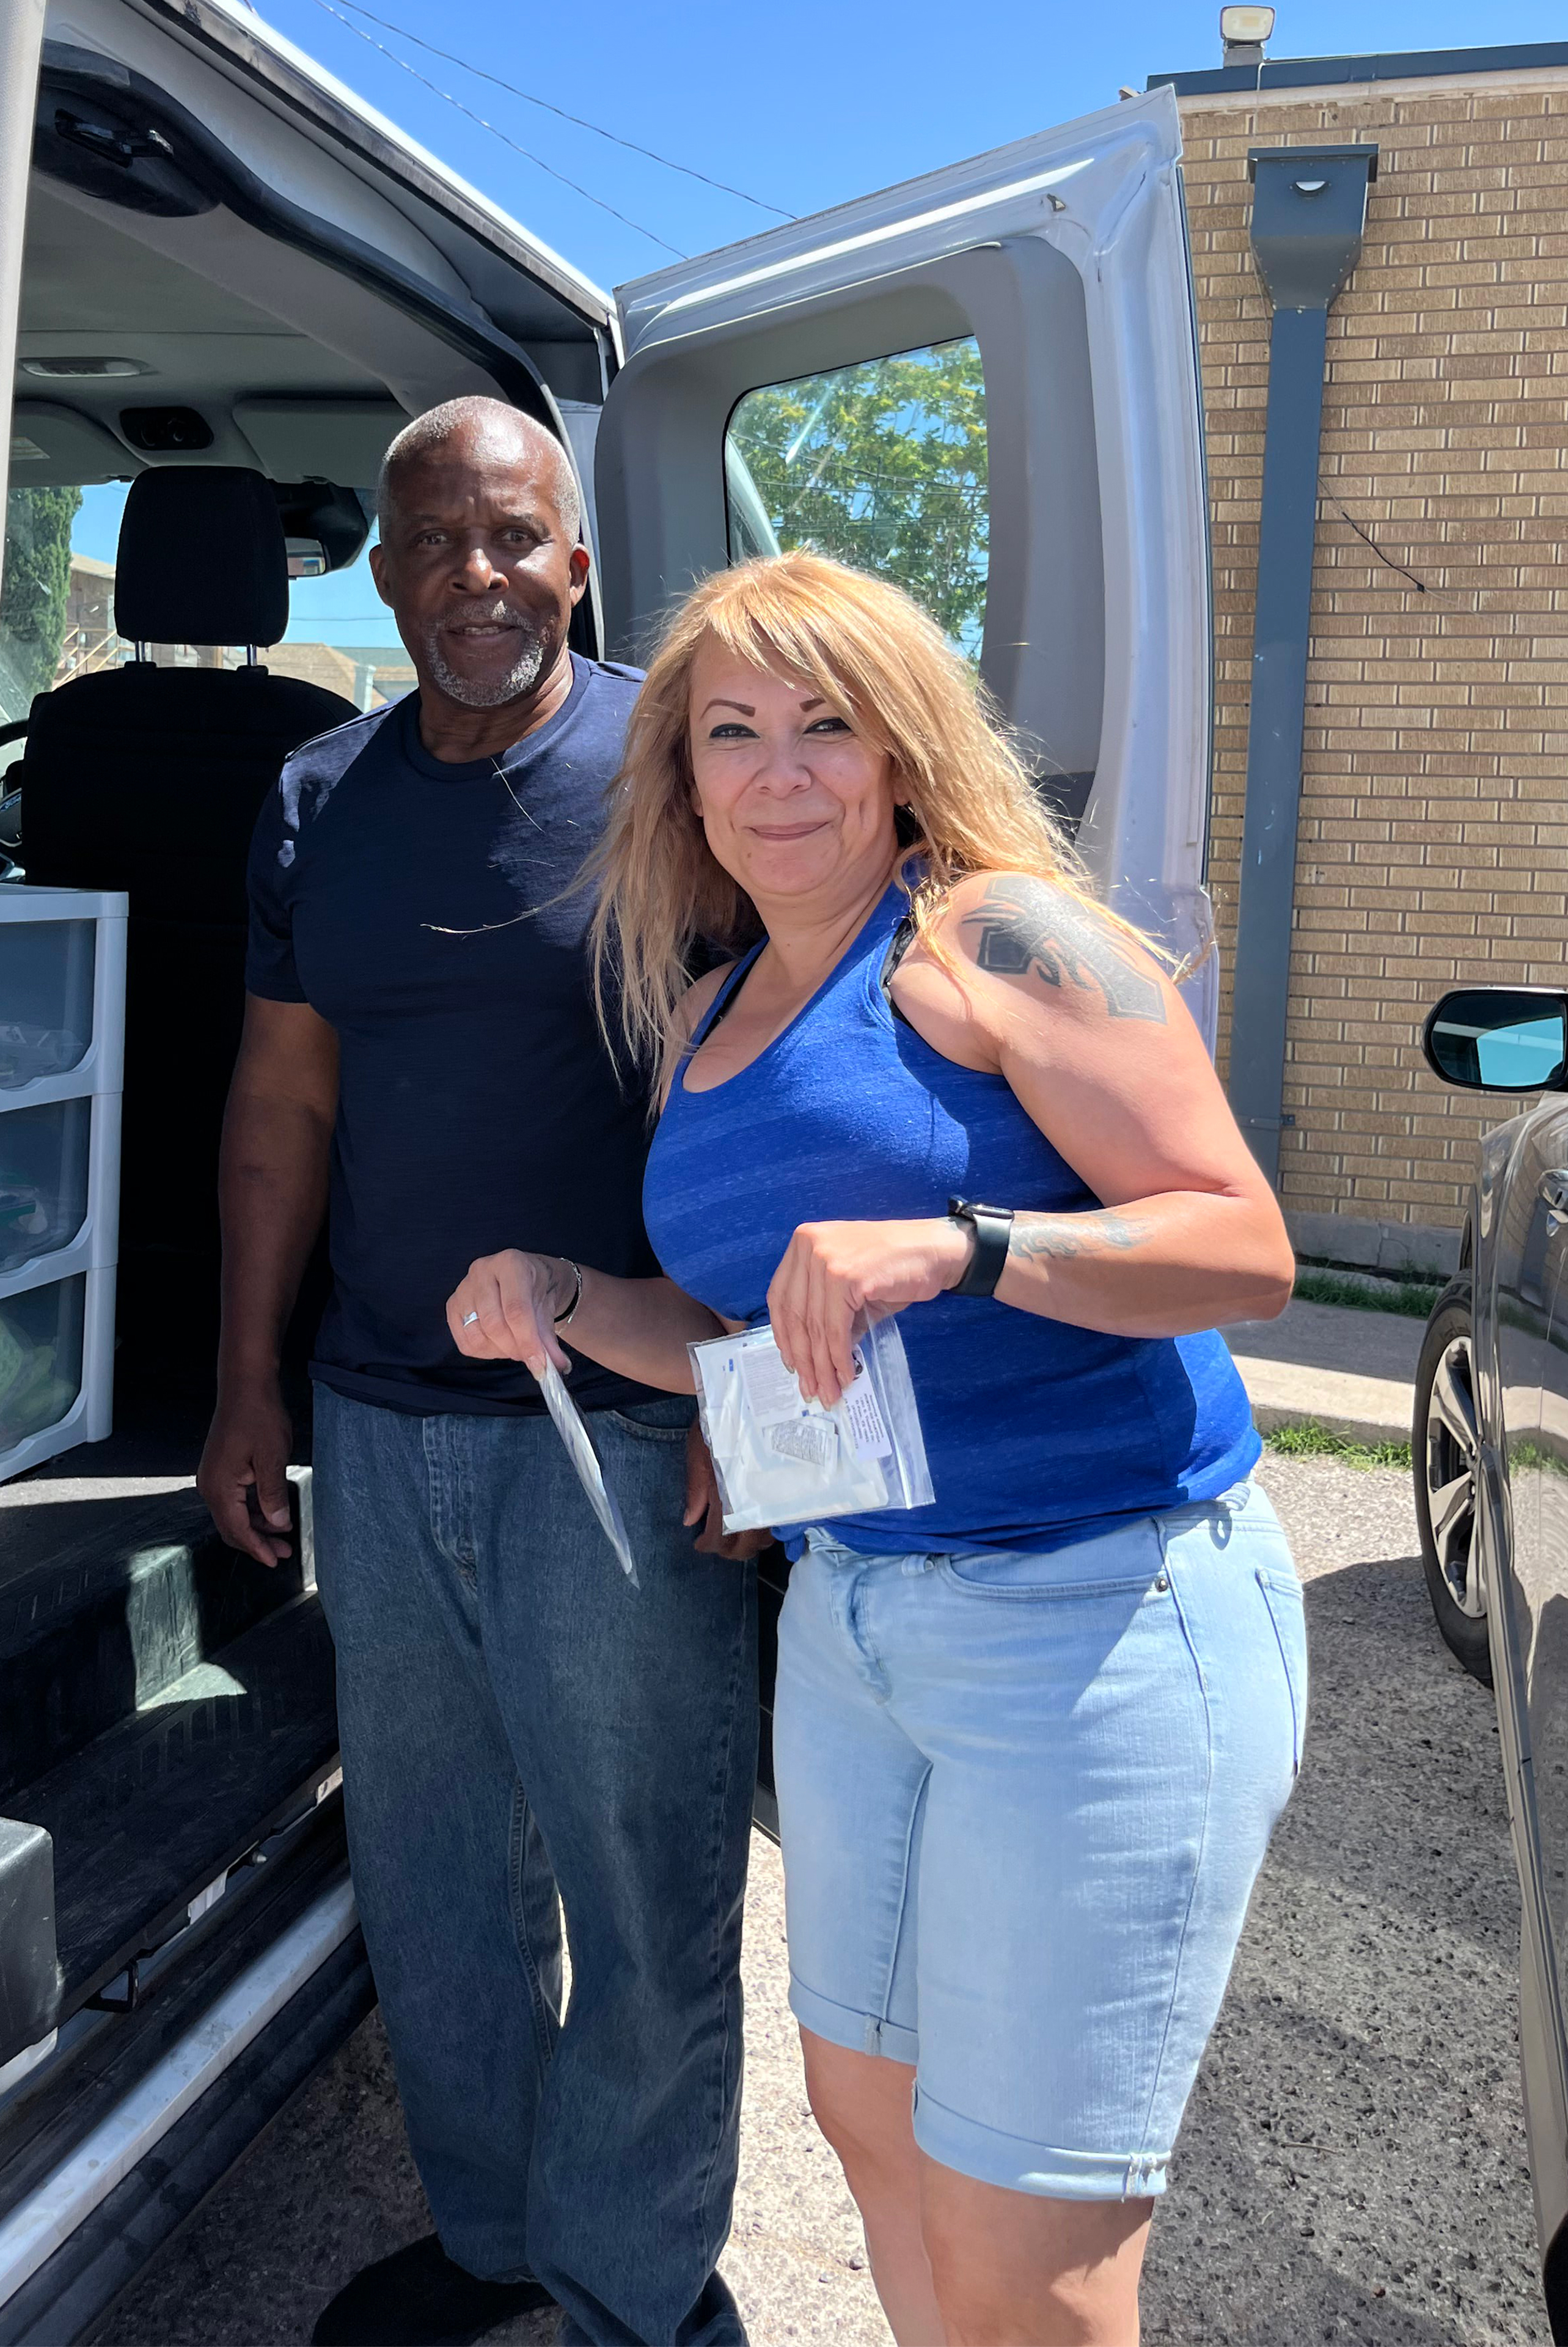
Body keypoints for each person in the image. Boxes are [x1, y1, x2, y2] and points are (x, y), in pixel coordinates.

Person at [447, 551, 1306, 2347]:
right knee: (877, 2131)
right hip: (856, 1625)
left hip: (1096, 1618)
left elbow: (1244, 1246)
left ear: (901, 749)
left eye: (825, 726)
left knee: (1029, 2239)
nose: (780, 773)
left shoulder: (991, 936)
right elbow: (749, 1342)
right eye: (730, 732)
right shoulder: (710, 1013)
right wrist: (561, 1293)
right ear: (677, 775)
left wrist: (972, 1242)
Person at [197, 397, 760, 2347]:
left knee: (638, 1880)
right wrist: (246, 1387)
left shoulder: (668, 775)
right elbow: (282, 1094)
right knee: (433, 1884)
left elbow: (773, 1097)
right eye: (433, 541)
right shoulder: (312, 795)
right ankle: (499, 2247)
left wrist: (743, 1402)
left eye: (513, 537)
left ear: (578, 560)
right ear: (381, 569)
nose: (474, 578)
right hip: (373, 1410)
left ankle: (628, 2294)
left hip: (614, 1421)